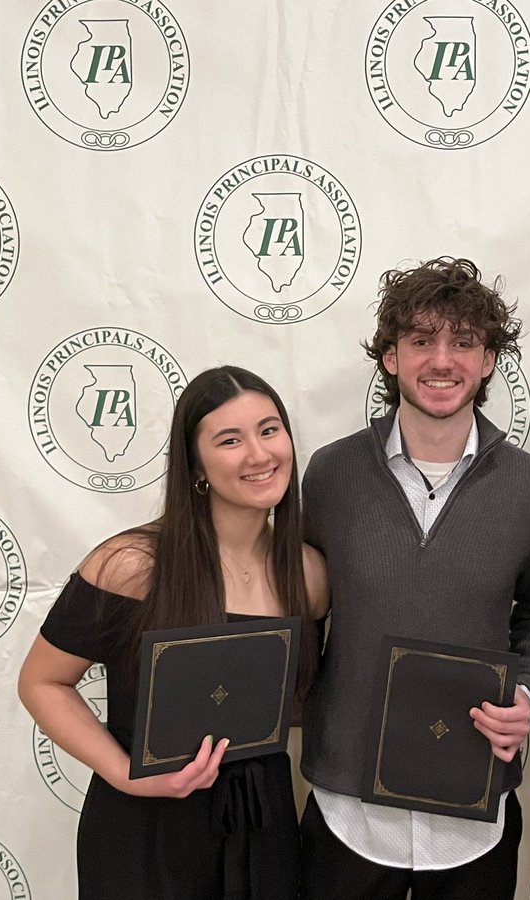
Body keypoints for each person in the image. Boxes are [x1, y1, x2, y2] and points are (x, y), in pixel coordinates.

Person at [298, 256, 530, 899]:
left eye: (463, 342)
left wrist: (528, 697)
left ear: (488, 361)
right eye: (421, 341)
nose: (442, 360)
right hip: (348, 808)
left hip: (473, 803)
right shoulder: (330, 475)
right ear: (390, 358)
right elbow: (297, 607)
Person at [18, 366, 328, 900]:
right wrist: (125, 772)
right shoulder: (131, 565)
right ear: (196, 466)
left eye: (269, 430)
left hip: (263, 822)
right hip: (146, 825)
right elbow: (42, 684)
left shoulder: (309, 574)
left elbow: (299, 702)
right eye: (229, 440)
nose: (258, 454)